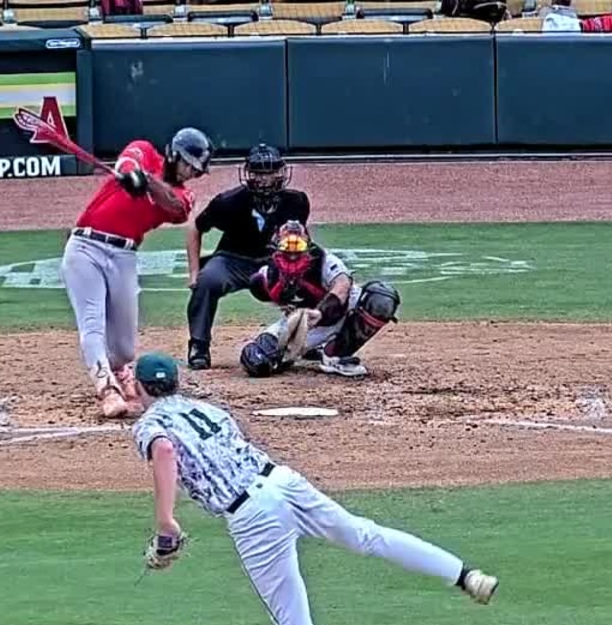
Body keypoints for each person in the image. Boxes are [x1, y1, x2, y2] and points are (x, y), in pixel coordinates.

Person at [128, 351, 497, 625]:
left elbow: (166, 451)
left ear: (139, 386)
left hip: (253, 517)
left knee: (291, 615)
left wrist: (166, 523)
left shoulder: (149, 424)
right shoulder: (208, 409)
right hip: (283, 482)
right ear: (175, 383)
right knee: (364, 534)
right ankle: (465, 575)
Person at [62, 127, 212, 419]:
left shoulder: (185, 195)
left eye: (196, 170)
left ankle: (118, 368)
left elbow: (175, 206)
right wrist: (134, 175)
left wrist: (148, 183)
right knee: (92, 323)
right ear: (173, 155)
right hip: (85, 247)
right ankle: (107, 389)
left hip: (124, 255)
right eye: (189, 166)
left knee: (124, 348)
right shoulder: (144, 149)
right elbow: (127, 163)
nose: (191, 174)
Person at [184, 143, 311, 371]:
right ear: (249, 174)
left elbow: (303, 240)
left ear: (280, 172)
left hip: (273, 262)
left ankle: (310, 341)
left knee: (311, 276)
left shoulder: (297, 202)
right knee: (207, 280)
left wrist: (298, 270)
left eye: (270, 172)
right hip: (233, 259)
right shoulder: (229, 202)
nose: (265, 179)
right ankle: (199, 346)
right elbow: (196, 227)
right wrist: (194, 271)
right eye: (259, 173)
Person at [236, 220, 400, 379]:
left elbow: (342, 286)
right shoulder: (265, 276)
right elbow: (272, 296)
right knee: (256, 360)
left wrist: (320, 312)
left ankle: (335, 355)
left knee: (382, 299)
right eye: (287, 246)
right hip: (302, 323)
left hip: (344, 311)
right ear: (276, 244)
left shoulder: (326, 261)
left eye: (298, 245)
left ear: (308, 244)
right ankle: (307, 349)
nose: (292, 253)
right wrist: (289, 313)